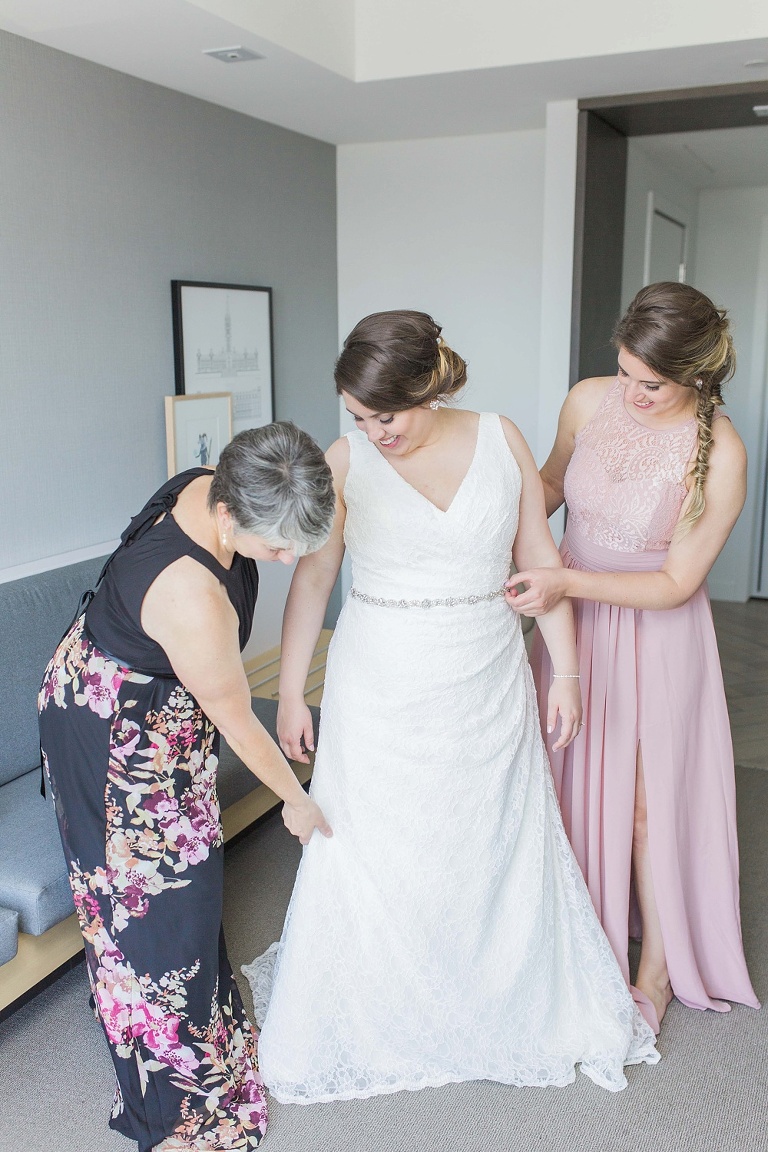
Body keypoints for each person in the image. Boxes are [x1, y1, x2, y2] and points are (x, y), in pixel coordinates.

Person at [242, 310, 658, 1104]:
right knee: (377, 842)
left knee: (485, 838)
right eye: (359, 417)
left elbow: (540, 559)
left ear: (430, 385)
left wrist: (565, 672)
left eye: (386, 415)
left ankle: (493, 992)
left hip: (486, 675)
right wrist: (293, 690)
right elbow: (316, 583)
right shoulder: (344, 459)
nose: (374, 432)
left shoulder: (502, 439)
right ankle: (382, 1001)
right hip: (379, 681)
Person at [38, 423, 336, 1152]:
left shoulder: (218, 478)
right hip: (111, 733)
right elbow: (238, 722)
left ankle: (198, 1027)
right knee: (147, 902)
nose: (288, 558)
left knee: (187, 888)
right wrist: (297, 801)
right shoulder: (190, 595)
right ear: (230, 515)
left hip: (159, 707)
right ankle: (174, 1101)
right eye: (277, 547)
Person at [508, 282, 761, 1034]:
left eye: (651, 382)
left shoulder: (724, 454)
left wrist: (563, 579)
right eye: (624, 372)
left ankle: (653, 968)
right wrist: (499, 535)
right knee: (558, 775)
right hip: (569, 623)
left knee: (649, 806)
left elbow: (678, 582)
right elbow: (549, 485)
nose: (632, 391)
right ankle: (576, 931)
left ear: (697, 376)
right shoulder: (588, 401)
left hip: (656, 637)